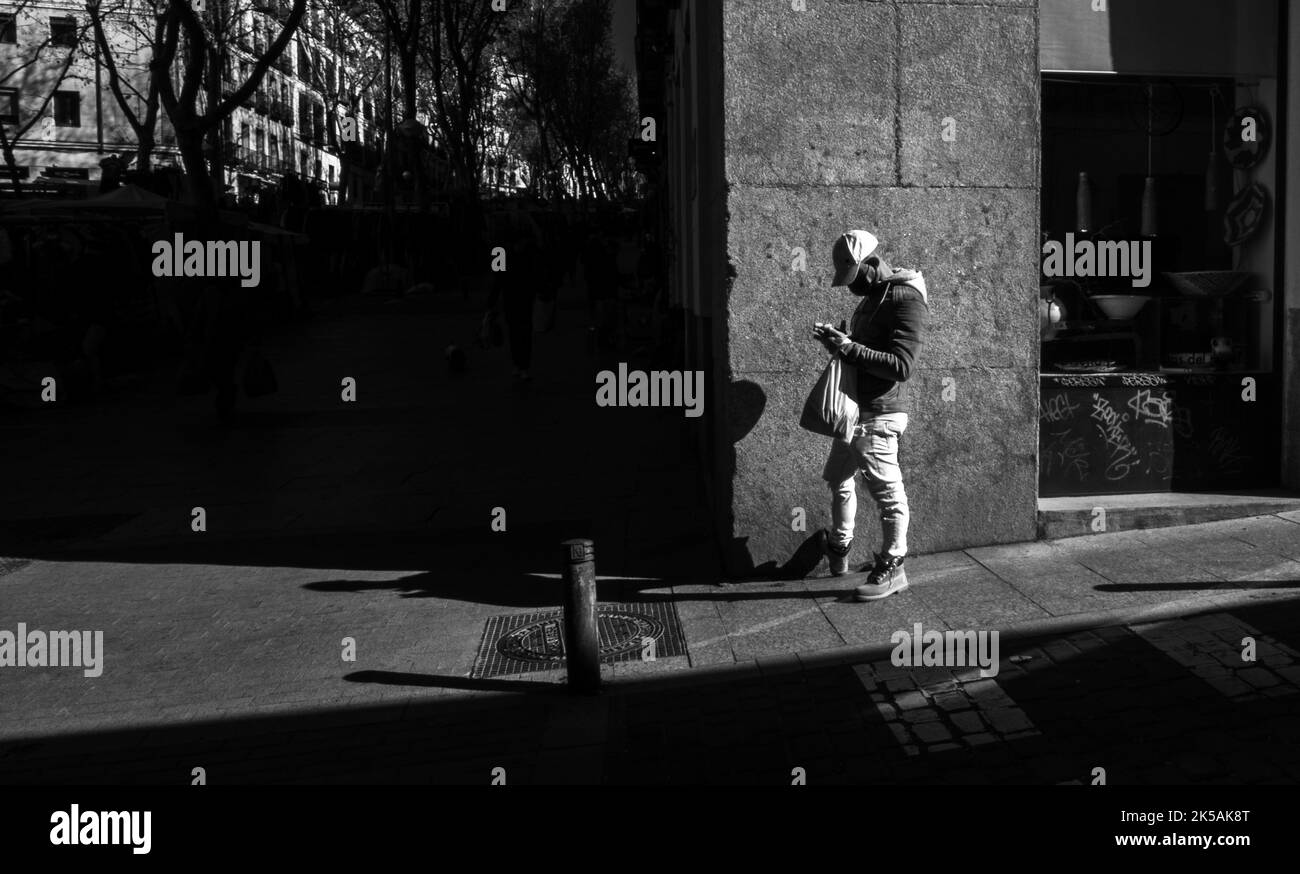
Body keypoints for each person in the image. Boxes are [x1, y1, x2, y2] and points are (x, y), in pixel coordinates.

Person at [812, 230, 929, 601]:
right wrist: (841, 339)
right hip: (855, 411)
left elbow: (901, 365)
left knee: (889, 494)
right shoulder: (873, 297)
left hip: (878, 415)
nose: (849, 288)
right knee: (839, 478)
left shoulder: (905, 298)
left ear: (870, 265)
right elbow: (865, 348)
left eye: (853, 279)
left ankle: (894, 564)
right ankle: (841, 545)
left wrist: (849, 348)